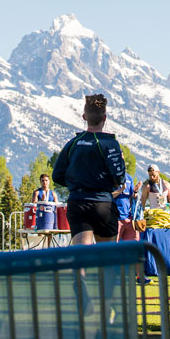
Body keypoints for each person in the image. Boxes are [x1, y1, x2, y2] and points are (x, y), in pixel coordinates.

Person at [52, 94, 126, 246]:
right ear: (104, 117)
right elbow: (120, 177)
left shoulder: (73, 143)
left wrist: (77, 183)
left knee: (81, 255)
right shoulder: (109, 143)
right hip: (103, 203)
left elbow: (57, 175)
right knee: (107, 257)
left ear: (84, 116)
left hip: (78, 202)